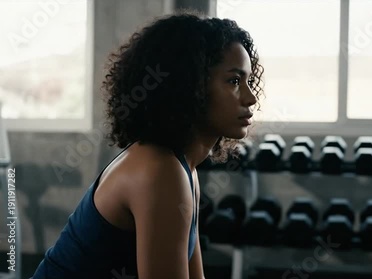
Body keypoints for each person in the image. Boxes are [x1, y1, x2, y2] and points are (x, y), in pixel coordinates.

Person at [31, 9, 264, 279]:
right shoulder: (160, 171)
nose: (250, 98)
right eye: (234, 81)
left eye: (248, 81)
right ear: (190, 85)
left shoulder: (184, 168)